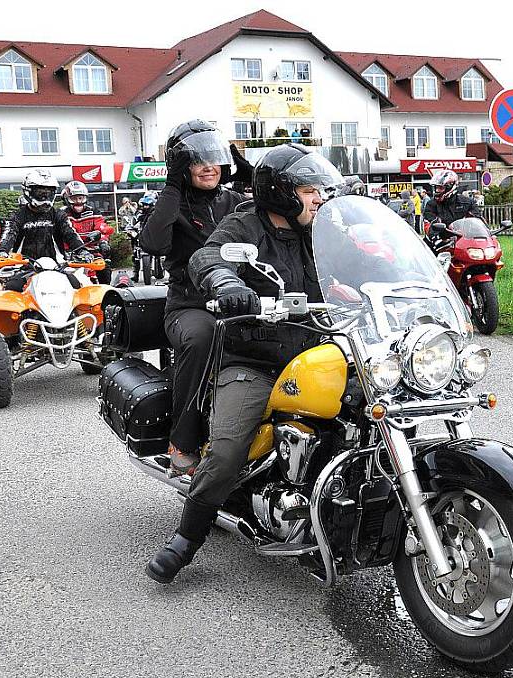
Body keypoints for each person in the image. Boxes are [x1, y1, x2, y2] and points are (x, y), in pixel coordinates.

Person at [145, 144, 351, 584]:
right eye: (309, 189)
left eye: (319, 190)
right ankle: (187, 537)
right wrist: (224, 280)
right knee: (226, 451)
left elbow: (357, 258)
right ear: (282, 192)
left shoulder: (319, 229)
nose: (318, 198)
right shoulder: (246, 222)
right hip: (255, 358)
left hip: (316, 352)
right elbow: (207, 255)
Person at [139, 119, 251, 477]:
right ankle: (182, 441)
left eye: (213, 157)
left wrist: (251, 176)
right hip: (189, 306)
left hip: (240, 302)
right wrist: (172, 186)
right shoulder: (172, 204)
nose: (207, 166)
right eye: (196, 159)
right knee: (205, 337)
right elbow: (153, 243)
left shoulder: (235, 201)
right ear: (180, 165)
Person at [0, 169, 85, 291]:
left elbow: (70, 233)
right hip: (25, 266)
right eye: (40, 192)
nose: (45, 196)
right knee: (11, 289)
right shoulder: (18, 216)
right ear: (28, 191)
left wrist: (82, 250)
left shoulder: (58, 215)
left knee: (77, 287)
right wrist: (2, 252)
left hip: (57, 265)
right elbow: (9, 234)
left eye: (49, 192)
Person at [62, 180, 114, 284]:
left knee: (105, 268)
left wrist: (103, 242)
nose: (78, 201)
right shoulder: (61, 214)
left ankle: (105, 292)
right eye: (74, 198)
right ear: (67, 199)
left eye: (80, 198)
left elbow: (101, 227)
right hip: (68, 254)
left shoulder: (94, 212)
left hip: (92, 251)